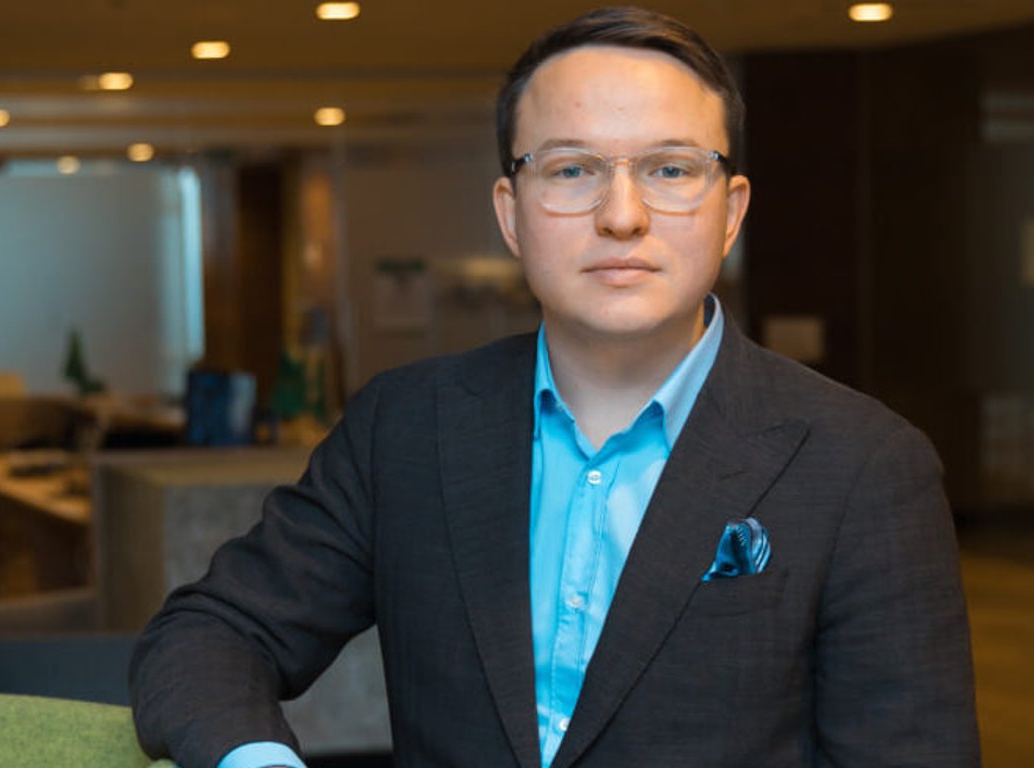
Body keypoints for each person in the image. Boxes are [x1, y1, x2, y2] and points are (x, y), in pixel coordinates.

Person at [129, 7, 981, 768]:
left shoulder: (863, 465)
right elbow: (209, 635)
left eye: (671, 169)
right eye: (572, 170)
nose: (622, 215)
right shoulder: (408, 427)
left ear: (730, 212)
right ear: (511, 213)